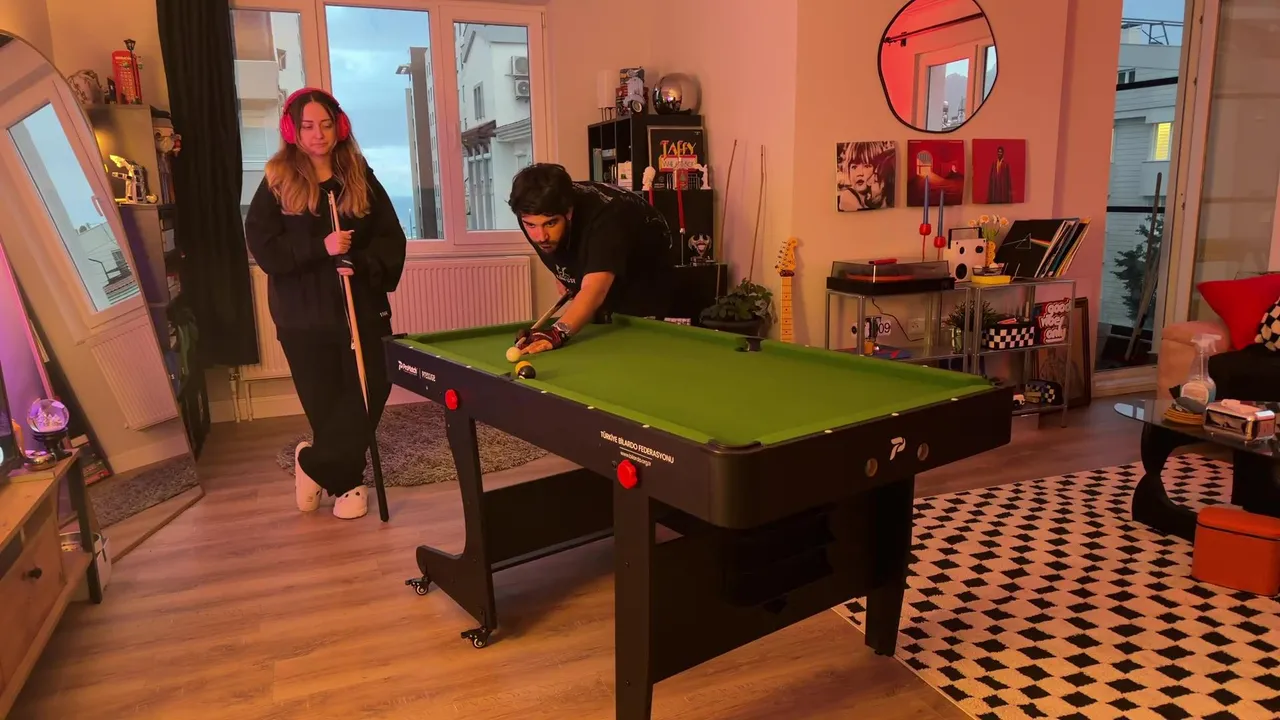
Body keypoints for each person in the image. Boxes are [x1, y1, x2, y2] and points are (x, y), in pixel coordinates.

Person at [244, 87, 406, 520]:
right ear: (292, 131)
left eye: (326, 124)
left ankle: (313, 463)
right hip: (303, 317)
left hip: (361, 311)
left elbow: (391, 238)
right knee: (325, 402)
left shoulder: (359, 175)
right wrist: (322, 247)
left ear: (340, 127)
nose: (318, 134)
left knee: (372, 386)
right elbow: (265, 249)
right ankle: (348, 482)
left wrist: (361, 261)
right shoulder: (277, 181)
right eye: (308, 126)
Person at [506, 163, 676, 355]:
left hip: (646, 275)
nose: (540, 236)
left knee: (635, 349)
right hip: (606, 261)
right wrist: (563, 274)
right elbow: (558, 251)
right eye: (531, 225)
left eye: (550, 223)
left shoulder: (608, 217)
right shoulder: (528, 213)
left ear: (568, 212)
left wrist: (557, 333)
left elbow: (595, 289)